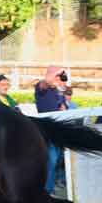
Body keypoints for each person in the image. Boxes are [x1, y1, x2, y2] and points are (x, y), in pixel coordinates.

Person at [35, 66, 70, 194]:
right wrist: (54, 73)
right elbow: (45, 83)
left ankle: (56, 183)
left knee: (60, 158)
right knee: (52, 159)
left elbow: (63, 107)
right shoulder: (41, 87)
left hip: (58, 128)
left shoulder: (57, 90)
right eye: (57, 76)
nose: (59, 78)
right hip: (47, 129)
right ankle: (47, 190)